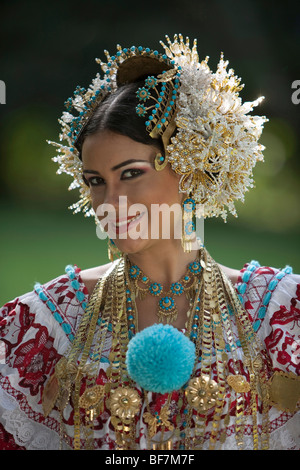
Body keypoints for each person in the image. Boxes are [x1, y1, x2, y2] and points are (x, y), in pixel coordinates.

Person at [0, 34, 299, 451]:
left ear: (189, 166)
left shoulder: (277, 315)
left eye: (130, 173)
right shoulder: (49, 325)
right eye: (95, 182)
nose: (111, 202)